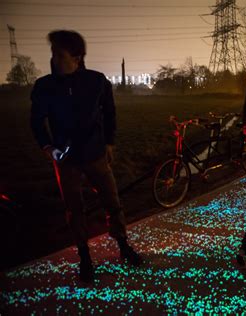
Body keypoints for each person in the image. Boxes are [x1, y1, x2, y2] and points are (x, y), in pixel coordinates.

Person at [30, 30, 142, 283]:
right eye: (54, 54)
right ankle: (84, 257)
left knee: (112, 201)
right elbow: (36, 121)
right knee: (74, 209)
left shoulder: (96, 82)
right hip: (66, 160)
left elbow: (110, 113)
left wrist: (109, 143)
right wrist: (47, 147)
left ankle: (123, 245)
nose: (55, 59)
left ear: (77, 57)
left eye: (60, 55)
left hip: (95, 154)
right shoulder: (44, 87)